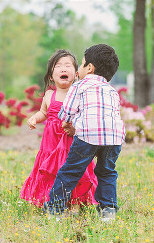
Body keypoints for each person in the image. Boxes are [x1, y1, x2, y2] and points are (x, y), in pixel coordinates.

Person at [46, 43, 126, 222]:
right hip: (113, 138)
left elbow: (67, 110)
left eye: (81, 65)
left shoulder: (79, 86)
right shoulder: (112, 91)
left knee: (71, 171)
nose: (79, 69)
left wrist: (67, 122)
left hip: (88, 136)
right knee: (107, 172)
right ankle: (108, 210)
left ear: (89, 68)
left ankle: (55, 208)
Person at [21, 49, 97, 209]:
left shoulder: (78, 93)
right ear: (51, 76)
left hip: (71, 142)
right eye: (58, 66)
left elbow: (85, 116)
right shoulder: (49, 95)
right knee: (51, 170)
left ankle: (76, 201)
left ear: (76, 74)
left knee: (72, 168)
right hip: (51, 144)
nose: (63, 69)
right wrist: (34, 118)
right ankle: (49, 199)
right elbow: (44, 112)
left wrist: (76, 128)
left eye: (68, 66)